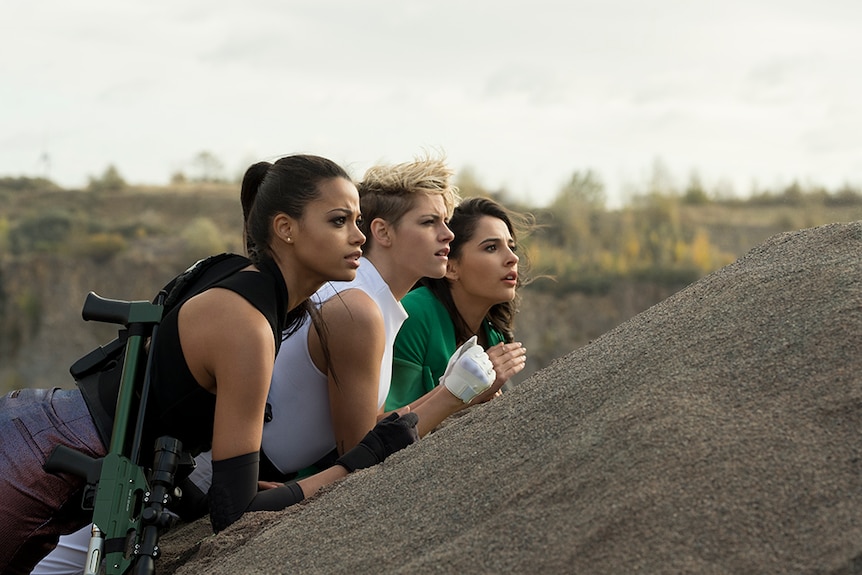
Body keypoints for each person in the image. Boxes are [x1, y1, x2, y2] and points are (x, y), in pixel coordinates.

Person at [1, 154, 420, 574]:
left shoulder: (243, 281)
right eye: (338, 221)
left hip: (43, 440)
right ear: (285, 229)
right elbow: (234, 514)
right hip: (39, 466)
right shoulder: (248, 325)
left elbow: (173, 418)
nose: (359, 237)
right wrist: (360, 459)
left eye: (358, 221)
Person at [258, 154, 515, 481]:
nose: (448, 235)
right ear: (382, 232)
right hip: (222, 481)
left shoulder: (371, 297)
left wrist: (449, 389)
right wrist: (455, 395)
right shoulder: (359, 307)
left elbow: (371, 424)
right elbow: (361, 449)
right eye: (428, 222)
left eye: (446, 222)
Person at [386, 196, 531, 411]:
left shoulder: (492, 333)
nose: (512, 258)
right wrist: (469, 390)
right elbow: (386, 429)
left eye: (512, 247)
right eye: (491, 247)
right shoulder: (414, 314)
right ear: (451, 268)